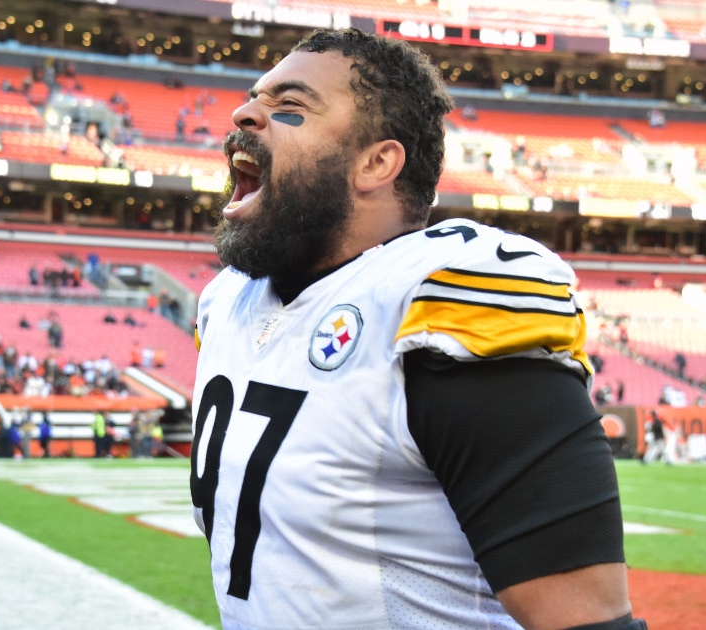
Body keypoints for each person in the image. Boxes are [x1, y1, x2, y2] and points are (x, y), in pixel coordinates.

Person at [189, 28, 643, 630]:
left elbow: (585, 621)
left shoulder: (439, 297)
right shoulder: (229, 303)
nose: (245, 113)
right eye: (254, 98)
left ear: (376, 162)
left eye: (290, 108)